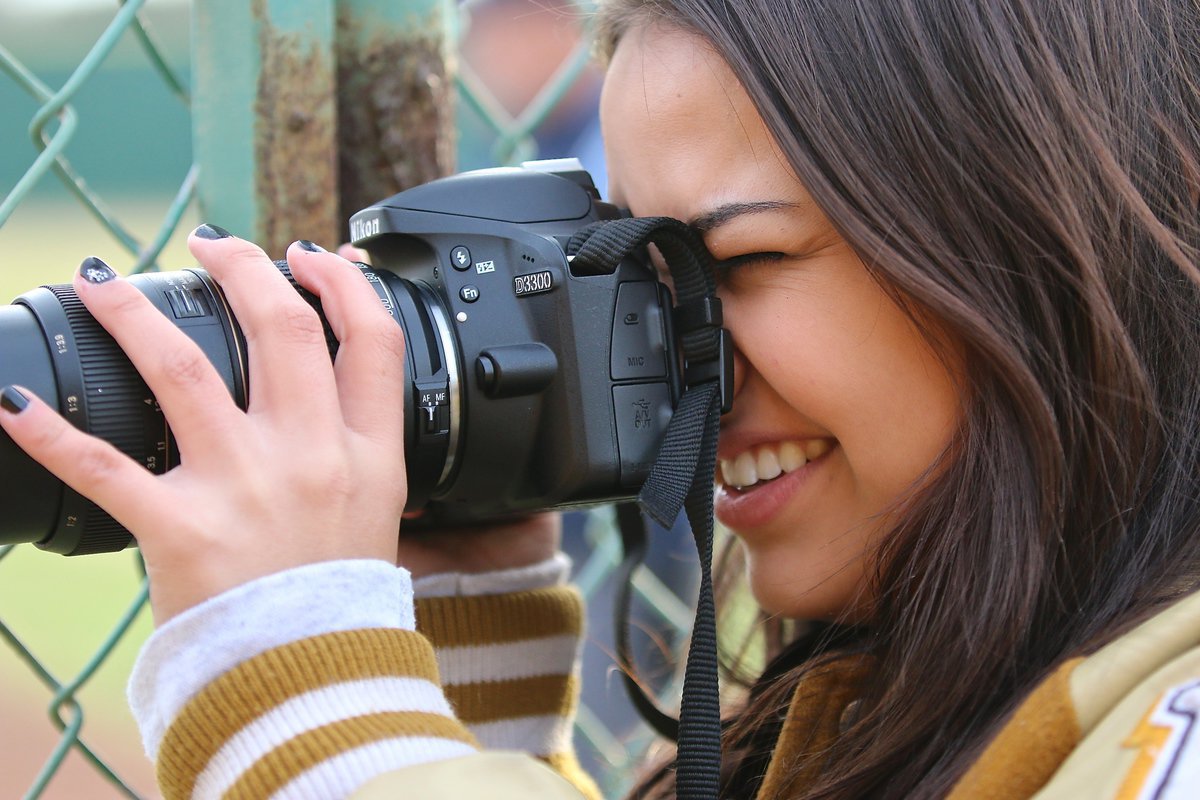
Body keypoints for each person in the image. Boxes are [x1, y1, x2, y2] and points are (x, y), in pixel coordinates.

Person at [2, 0, 1199, 797]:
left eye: (740, 265)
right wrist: (468, 646)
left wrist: (302, 684)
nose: (677, 357)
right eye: (633, 274)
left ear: (1046, 235)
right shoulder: (925, 698)